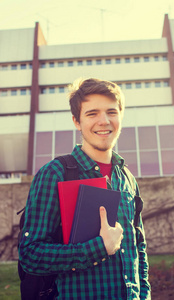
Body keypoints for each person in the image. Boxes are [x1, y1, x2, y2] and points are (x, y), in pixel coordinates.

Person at [19, 78, 151, 299]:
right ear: (76, 121)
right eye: (92, 114)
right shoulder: (55, 174)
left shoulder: (127, 177)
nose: (104, 121)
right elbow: (31, 255)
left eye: (111, 112)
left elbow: (139, 248)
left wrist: (144, 295)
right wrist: (98, 248)